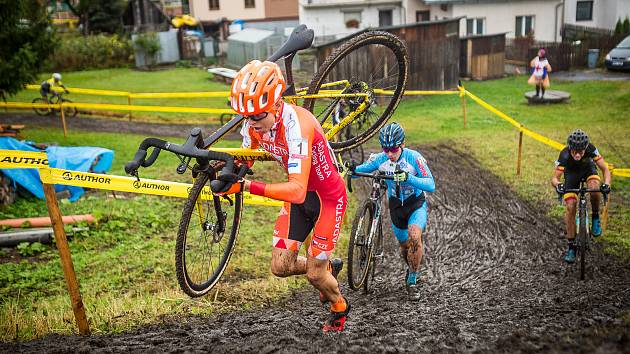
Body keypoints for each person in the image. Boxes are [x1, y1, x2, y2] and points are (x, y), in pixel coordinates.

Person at [220, 60, 350, 332]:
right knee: (280, 266)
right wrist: (227, 167)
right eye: (247, 117)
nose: (251, 124)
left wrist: (245, 186)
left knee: (315, 275)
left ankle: (339, 306)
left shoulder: (297, 126)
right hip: (300, 202)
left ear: (276, 104)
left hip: (327, 199)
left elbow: (296, 189)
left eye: (256, 116)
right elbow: (248, 158)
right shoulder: (254, 124)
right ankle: (328, 268)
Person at [350, 122, 435, 300]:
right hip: (396, 207)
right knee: (404, 247)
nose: (389, 153)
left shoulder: (414, 157)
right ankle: (412, 268)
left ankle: (411, 281)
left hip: (415, 204)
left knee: (414, 236)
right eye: (385, 149)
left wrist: (409, 177)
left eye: (393, 149)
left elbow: (430, 184)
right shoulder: (381, 159)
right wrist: (351, 169)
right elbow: (360, 171)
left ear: (402, 144)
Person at [551, 129, 611, 263]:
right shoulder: (564, 154)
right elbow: (554, 178)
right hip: (571, 175)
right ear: (570, 148)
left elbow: (605, 169)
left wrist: (606, 184)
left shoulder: (591, 149)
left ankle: (595, 217)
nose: (577, 154)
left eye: (581, 151)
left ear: (585, 148)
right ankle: (571, 247)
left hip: (588, 170)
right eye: (574, 151)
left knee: (595, 187)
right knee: (571, 207)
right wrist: (558, 185)